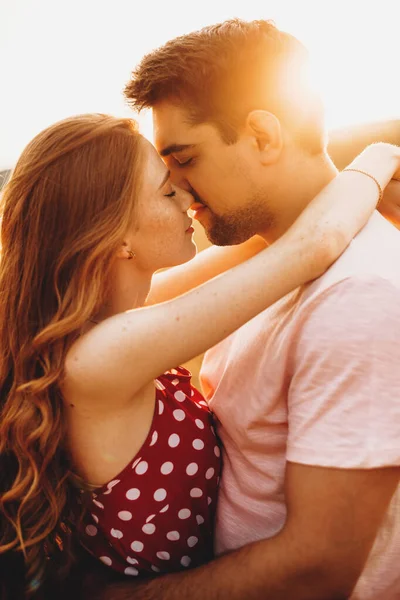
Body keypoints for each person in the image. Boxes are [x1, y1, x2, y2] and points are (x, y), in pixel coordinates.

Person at [0, 115, 398, 598]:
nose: (190, 200)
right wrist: (383, 156)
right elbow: (311, 246)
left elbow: (259, 245)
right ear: (118, 237)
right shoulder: (103, 354)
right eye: (168, 193)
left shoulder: (102, 320)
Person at [87, 18, 400, 600]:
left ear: (262, 135)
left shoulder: (357, 299)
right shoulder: (265, 265)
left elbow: (316, 570)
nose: (180, 191)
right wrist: (376, 163)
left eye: (185, 158)